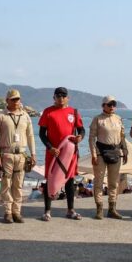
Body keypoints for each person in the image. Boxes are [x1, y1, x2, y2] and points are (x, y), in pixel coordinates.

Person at [38, 87, 85, 221]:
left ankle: (70, 210)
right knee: (50, 180)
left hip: (69, 153)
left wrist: (80, 137)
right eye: (58, 96)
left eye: (63, 96)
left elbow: (81, 130)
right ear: (54, 98)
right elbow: (42, 134)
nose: (61, 98)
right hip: (53, 152)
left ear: (67, 98)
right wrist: (50, 147)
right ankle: (47, 211)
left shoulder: (74, 112)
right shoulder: (48, 112)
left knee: (69, 181)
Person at [0, 89, 36, 223]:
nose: (16, 101)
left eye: (18, 99)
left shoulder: (25, 116)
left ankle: (17, 211)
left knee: (18, 185)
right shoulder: (1, 116)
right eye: (13, 99)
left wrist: (33, 153)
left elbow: (30, 136)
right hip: (6, 154)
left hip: (21, 154)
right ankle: (7, 212)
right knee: (6, 184)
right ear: (7, 101)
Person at [88, 95, 127, 219]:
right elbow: (92, 138)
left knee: (114, 182)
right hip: (100, 152)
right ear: (103, 106)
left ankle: (112, 209)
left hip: (115, 151)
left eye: (113, 105)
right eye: (109, 104)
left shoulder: (118, 118)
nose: (112, 107)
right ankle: (99, 209)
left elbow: (122, 136)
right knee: (99, 182)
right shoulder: (97, 119)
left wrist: (125, 150)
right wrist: (93, 153)